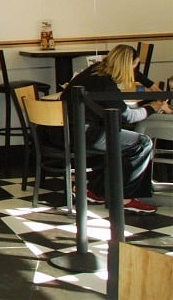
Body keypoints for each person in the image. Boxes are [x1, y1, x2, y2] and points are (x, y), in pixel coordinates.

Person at [62, 44, 170, 213]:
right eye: (135, 65)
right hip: (84, 135)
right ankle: (125, 198)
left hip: (61, 132)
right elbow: (127, 116)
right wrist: (153, 108)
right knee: (142, 143)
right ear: (128, 65)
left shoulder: (94, 71)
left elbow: (132, 74)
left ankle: (96, 190)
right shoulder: (107, 85)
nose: (135, 71)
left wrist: (149, 84)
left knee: (120, 141)